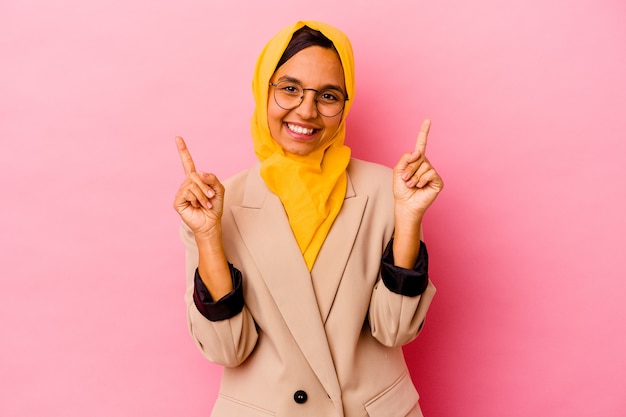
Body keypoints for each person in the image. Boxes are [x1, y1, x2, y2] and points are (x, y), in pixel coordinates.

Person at [173, 20, 444, 417]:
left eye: (328, 96)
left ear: (344, 105)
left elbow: (395, 330)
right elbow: (227, 350)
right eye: (289, 89)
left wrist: (408, 219)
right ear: (263, 90)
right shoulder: (216, 205)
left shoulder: (389, 191)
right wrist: (210, 236)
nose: (306, 110)